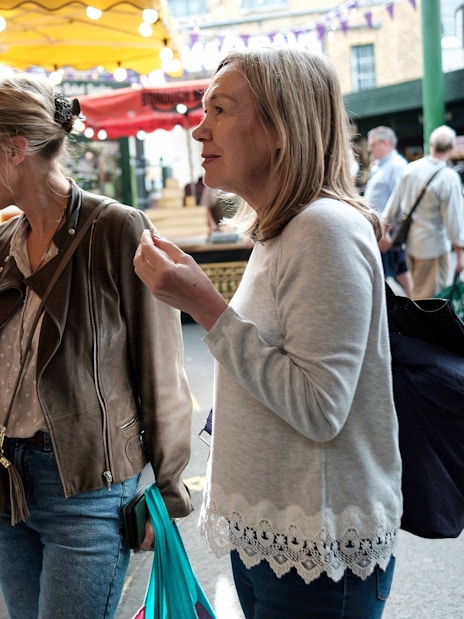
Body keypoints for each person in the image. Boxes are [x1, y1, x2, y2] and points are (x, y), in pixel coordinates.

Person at [134, 47, 402, 619]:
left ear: (281, 128)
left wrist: (205, 306)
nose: (199, 127)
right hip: (274, 538)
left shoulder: (324, 230)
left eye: (221, 109)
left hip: (318, 551)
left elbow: (319, 406)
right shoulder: (281, 231)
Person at [0, 71, 193, 619]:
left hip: (86, 486)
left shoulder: (118, 230)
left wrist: (169, 489)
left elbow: (161, 369)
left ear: (15, 149)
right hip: (7, 482)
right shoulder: (5, 242)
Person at [383, 125, 464, 299]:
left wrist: (383, 232)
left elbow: (392, 207)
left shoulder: (410, 168)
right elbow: (453, 222)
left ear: (430, 145)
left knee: (419, 291)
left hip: (411, 245)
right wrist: (460, 254)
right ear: (451, 148)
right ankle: (418, 326)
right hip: (433, 248)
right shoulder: (448, 177)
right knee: (431, 300)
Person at [364, 126, 413, 297]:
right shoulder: (381, 166)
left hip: (386, 233)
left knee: (387, 273)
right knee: (399, 271)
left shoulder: (397, 166)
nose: (369, 149)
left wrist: (385, 232)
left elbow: (400, 204)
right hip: (381, 231)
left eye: (372, 144)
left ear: (386, 143)